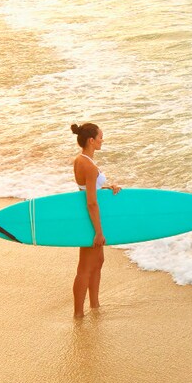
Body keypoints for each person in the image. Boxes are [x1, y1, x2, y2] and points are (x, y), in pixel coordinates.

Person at [69, 122, 121, 317]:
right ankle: (78, 315)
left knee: (98, 261)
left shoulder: (81, 160)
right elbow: (91, 202)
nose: (102, 140)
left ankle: (95, 306)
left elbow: (88, 190)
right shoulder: (87, 165)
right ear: (91, 140)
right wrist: (98, 232)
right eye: (100, 137)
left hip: (90, 219)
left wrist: (107, 188)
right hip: (90, 221)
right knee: (85, 267)